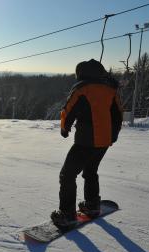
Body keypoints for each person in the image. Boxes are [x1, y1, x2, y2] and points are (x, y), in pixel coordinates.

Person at [50, 59, 123, 227]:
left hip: (85, 141)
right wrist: (113, 135)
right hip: (104, 142)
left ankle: (67, 214)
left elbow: (68, 110)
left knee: (67, 175)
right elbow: (118, 114)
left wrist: (64, 128)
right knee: (90, 171)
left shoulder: (82, 89)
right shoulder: (111, 89)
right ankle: (92, 205)